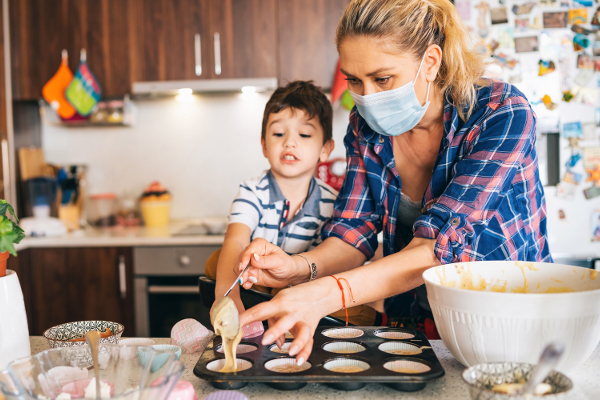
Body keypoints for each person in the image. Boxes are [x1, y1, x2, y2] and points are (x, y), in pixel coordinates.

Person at [233, 0, 552, 363]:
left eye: (382, 78)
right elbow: (353, 231)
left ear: (430, 63)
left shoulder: (501, 114)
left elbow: (436, 251)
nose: (367, 96)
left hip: (507, 321)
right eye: (354, 80)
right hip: (413, 321)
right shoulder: (366, 130)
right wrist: (298, 267)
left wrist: (322, 294)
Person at [206, 81, 378, 338]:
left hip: (308, 294)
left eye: (304, 135)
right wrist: (226, 295)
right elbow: (236, 238)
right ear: (264, 145)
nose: (290, 143)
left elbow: (340, 262)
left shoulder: (334, 203)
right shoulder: (252, 192)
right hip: (257, 288)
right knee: (218, 258)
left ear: (325, 149)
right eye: (278, 134)